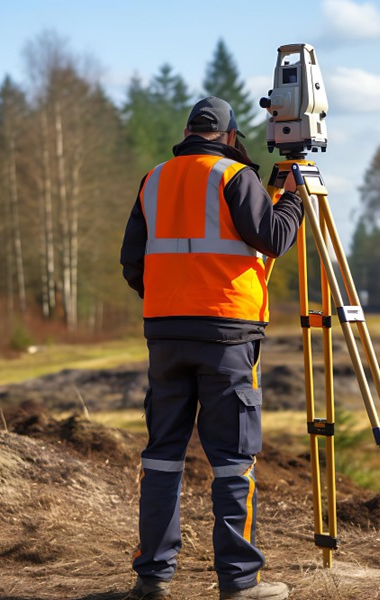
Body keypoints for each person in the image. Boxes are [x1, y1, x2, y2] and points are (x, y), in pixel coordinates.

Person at [120, 96, 303, 600]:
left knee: (161, 457)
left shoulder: (153, 180)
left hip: (165, 335)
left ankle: (152, 579)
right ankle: (240, 584)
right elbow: (272, 238)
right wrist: (293, 200)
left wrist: (168, 300)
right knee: (231, 460)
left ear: (187, 132)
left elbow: (131, 261)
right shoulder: (234, 176)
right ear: (228, 135)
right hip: (226, 334)